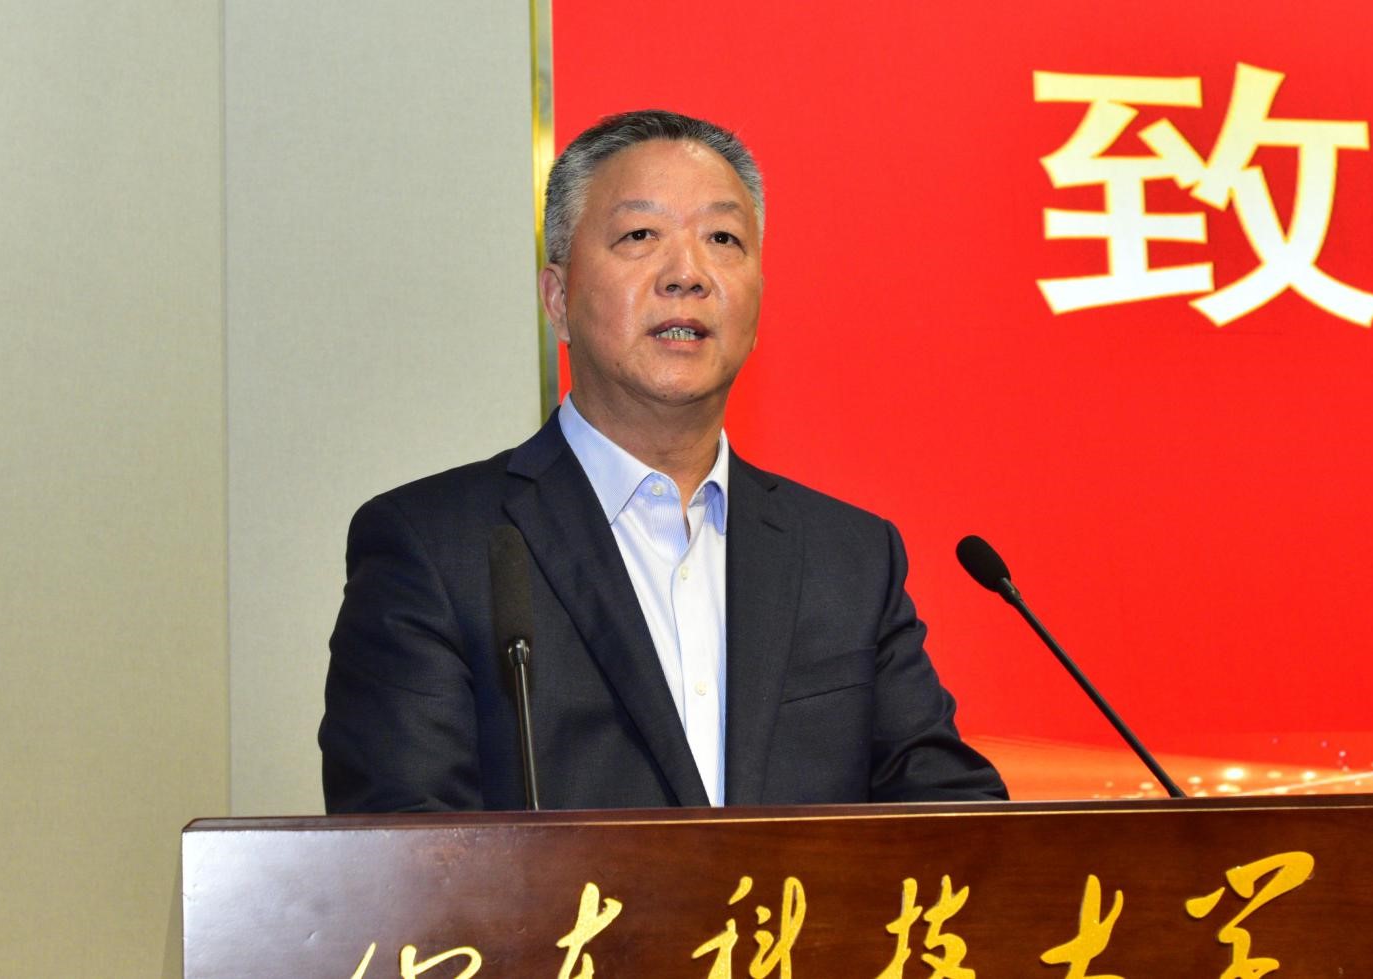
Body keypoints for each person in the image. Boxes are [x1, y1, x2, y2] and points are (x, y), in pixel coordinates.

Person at [319, 109, 1006, 812]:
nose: (688, 274)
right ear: (558, 299)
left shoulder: (849, 557)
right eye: (640, 236)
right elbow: (404, 847)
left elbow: (954, 815)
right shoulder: (435, 548)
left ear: (758, 301)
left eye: (723, 239)